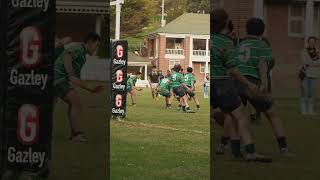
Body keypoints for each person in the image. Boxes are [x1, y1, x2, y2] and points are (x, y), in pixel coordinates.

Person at [211, 9, 271, 162]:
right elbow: (232, 70)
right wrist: (249, 84)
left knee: (230, 114)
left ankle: (234, 150)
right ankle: (250, 151)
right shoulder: (226, 42)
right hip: (222, 83)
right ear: (225, 22)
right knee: (240, 116)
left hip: (208, 82)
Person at [234, 18, 290, 155]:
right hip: (252, 82)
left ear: (247, 30)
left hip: (236, 81)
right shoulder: (262, 45)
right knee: (272, 114)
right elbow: (263, 64)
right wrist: (264, 83)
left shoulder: (239, 44)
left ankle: (235, 149)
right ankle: (283, 148)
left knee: (239, 116)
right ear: (262, 31)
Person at [54, 32, 104, 142]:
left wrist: (90, 88)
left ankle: (75, 134)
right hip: (58, 77)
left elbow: (75, 79)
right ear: (90, 42)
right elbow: (68, 55)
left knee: (72, 102)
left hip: (58, 78)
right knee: (75, 102)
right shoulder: (80, 49)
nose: (97, 48)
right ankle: (76, 134)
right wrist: (70, 73)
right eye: (97, 45)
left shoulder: (82, 56)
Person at [299, 36, 320, 115]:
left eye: (313, 42)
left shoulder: (317, 51)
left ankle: (310, 110)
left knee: (311, 93)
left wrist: (312, 63)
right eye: (310, 41)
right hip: (305, 74)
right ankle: (303, 110)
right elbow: (305, 61)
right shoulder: (304, 51)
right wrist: (314, 63)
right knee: (304, 92)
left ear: (315, 43)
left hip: (314, 74)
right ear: (308, 42)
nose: (312, 43)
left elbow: (318, 62)